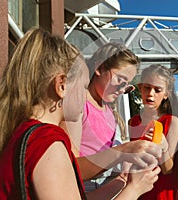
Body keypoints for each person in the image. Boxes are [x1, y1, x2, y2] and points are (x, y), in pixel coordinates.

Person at [0, 28, 160, 200]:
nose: (84, 95)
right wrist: (133, 190)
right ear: (61, 86)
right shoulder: (48, 143)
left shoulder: (25, 133)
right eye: (83, 87)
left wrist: (125, 182)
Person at [61, 42, 163, 198]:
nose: (122, 89)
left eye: (127, 84)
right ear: (99, 68)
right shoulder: (78, 105)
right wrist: (123, 151)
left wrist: (130, 159)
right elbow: (70, 169)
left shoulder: (109, 112)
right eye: (119, 80)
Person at [128, 64, 178, 200]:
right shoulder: (132, 122)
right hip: (139, 189)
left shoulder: (172, 121)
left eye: (157, 90)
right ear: (140, 88)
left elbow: (168, 169)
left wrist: (163, 148)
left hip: (162, 191)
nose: (150, 94)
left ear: (166, 94)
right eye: (147, 88)